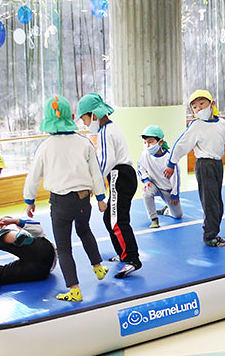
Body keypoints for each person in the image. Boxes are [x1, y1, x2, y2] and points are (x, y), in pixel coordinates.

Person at [23, 95, 108, 303]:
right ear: (71, 116)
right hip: (83, 200)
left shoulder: (45, 146)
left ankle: (74, 289)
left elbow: (34, 176)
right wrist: (100, 197)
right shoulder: (84, 143)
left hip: (60, 203)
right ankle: (98, 267)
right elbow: (96, 172)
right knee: (85, 231)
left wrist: (29, 200)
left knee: (63, 247)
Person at [163, 90, 225, 247]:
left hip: (217, 165)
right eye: (194, 107)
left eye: (202, 104)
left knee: (218, 203)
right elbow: (181, 145)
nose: (199, 108)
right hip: (204, 166)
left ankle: (215, 232)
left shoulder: (221, 123)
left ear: (212, 104)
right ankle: (209, 236)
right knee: (210, 203)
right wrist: (171, 163)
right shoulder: (196, 126)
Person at [77, 93, 140, 279]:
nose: (85, 124)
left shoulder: (105, 132)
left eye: (84, 119)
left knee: (117, 220)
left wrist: (94, 186)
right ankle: (123, 253)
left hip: (120, 175)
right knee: (109, 218)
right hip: (123, 175)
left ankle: (132, 259)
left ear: (93, 115)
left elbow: (106, 161)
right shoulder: (112, 128)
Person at [137, 125, 183, 228]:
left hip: (167, 189)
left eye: (150, 142)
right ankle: (154, 219)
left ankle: (166, 210)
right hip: (154, 185)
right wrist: (146, 180)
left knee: (178, 215)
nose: (147, 145)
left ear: (160, 142)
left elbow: (176, 177)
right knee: (146, 192)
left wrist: (175, 194)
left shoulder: (169, 158)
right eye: (145, 142)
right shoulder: (145, 155)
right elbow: (140, 168)